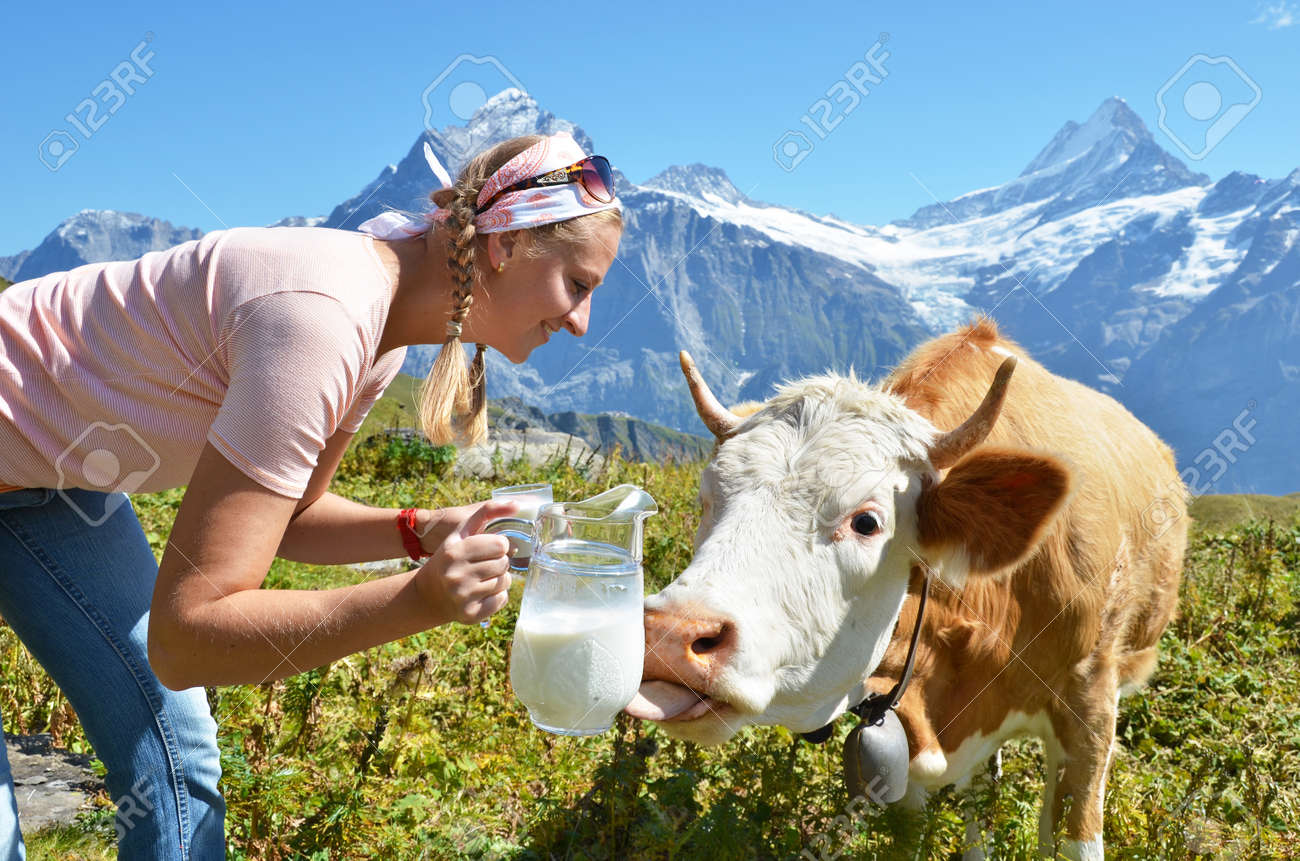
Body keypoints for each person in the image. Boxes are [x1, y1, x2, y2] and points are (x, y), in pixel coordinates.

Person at [0, 131, 622, 859]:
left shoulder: (379, 329)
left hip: (49, 481)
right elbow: (186, 635)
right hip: (40, 464)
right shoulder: (320, 318)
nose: (580, 320)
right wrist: (418, 600)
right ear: (504, 247)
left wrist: (424, 528)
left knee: (176, 755)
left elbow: (291, 517)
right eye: (577, 285)